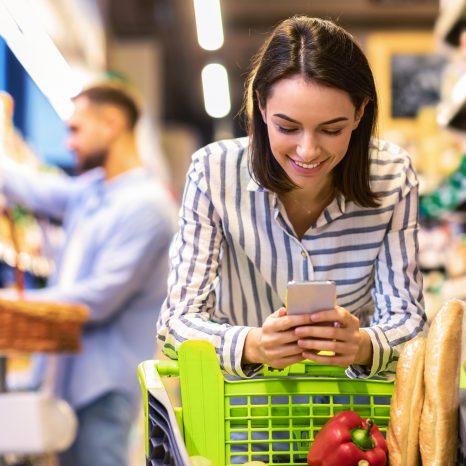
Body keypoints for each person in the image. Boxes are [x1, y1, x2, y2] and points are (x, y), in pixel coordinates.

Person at [157, 16, 427, 381]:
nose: (308, 150)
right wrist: (252, 344)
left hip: (354, 418)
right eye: (287, 127)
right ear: (261, 108)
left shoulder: (392, 177)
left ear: (360, 113)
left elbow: (409, 322)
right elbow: (175, 324)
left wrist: (363, 345)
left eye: (331, 129)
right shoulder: (213, 173)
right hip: (242, 414)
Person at [1, 83, 177, 466]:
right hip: (67, 381)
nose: (68, 143)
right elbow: (35, 189)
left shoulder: (147, 207)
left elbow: (98, 299)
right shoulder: (93, 191)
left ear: (112, 124)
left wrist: (16, 303)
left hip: (104, 389)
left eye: (76, 129)